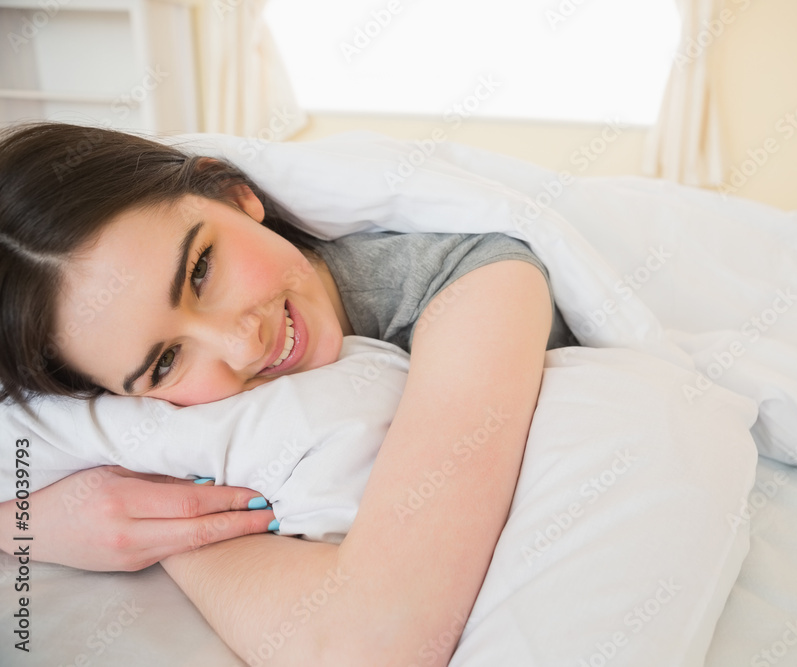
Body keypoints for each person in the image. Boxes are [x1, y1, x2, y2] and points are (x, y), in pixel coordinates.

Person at [0, 122, 576, 665]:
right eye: (166, 360)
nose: (240, 345)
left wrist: (165, 528)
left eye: (201, 270)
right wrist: (23, 527)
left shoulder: (480, 283)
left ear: (236, 196)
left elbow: (370, 644)